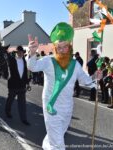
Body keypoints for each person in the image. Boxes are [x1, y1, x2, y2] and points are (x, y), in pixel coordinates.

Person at [27, 22, 95, 150]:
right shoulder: (48, 61)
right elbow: (32, 66)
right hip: (51, 107)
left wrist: (96, 78)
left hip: (67, 108)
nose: (62, 50)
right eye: (59, 47)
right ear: (55, 47)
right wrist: (32, 53)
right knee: (58, 144)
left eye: (65, 47)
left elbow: (86, 81)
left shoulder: (75, 64)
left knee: (56, 136)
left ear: (70, 47)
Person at [5, 45, 30, 125]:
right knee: (10, 99)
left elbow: (25, 73)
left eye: (21, 52)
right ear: (16, 53)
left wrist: (28, 83)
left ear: (23, 53)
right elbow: (6, 55)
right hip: (13, 85)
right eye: (18, 52)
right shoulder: (11, 60)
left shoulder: (24, 61)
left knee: (22, 103)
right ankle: (7, 110)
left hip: (22, 86)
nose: (20, 53)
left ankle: (24, 119)